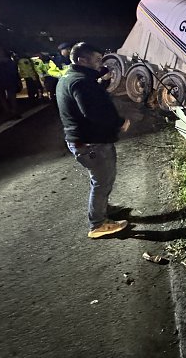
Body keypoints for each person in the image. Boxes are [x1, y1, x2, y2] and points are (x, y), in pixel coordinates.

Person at [56, 42, 131, 238]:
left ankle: (101, 209)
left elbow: (92, 93)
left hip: (85, 141)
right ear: (82, 60)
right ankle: (97, 224)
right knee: (102, 182)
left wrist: (104, 77)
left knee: (100, 180)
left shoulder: (71, 77)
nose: (101, 64)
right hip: (92, 143)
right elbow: (95, 113)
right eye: (97, 60)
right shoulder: (81, 83)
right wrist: (119, 122)